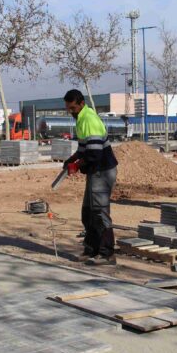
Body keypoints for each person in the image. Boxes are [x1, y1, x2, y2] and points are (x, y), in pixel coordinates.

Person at [62, 89, 118, 266]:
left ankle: (107, 253)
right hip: (95, 171)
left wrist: (77, 166)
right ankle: (91, 249)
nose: (71, 111)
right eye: (68, 109)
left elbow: (94, 153)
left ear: (81, 104)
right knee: (88, 212)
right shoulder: (80, 119)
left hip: (102, 170)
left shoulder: (89, 119)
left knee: (100, 212)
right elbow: (83, 148)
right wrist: (72, 159)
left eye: (73, 108)